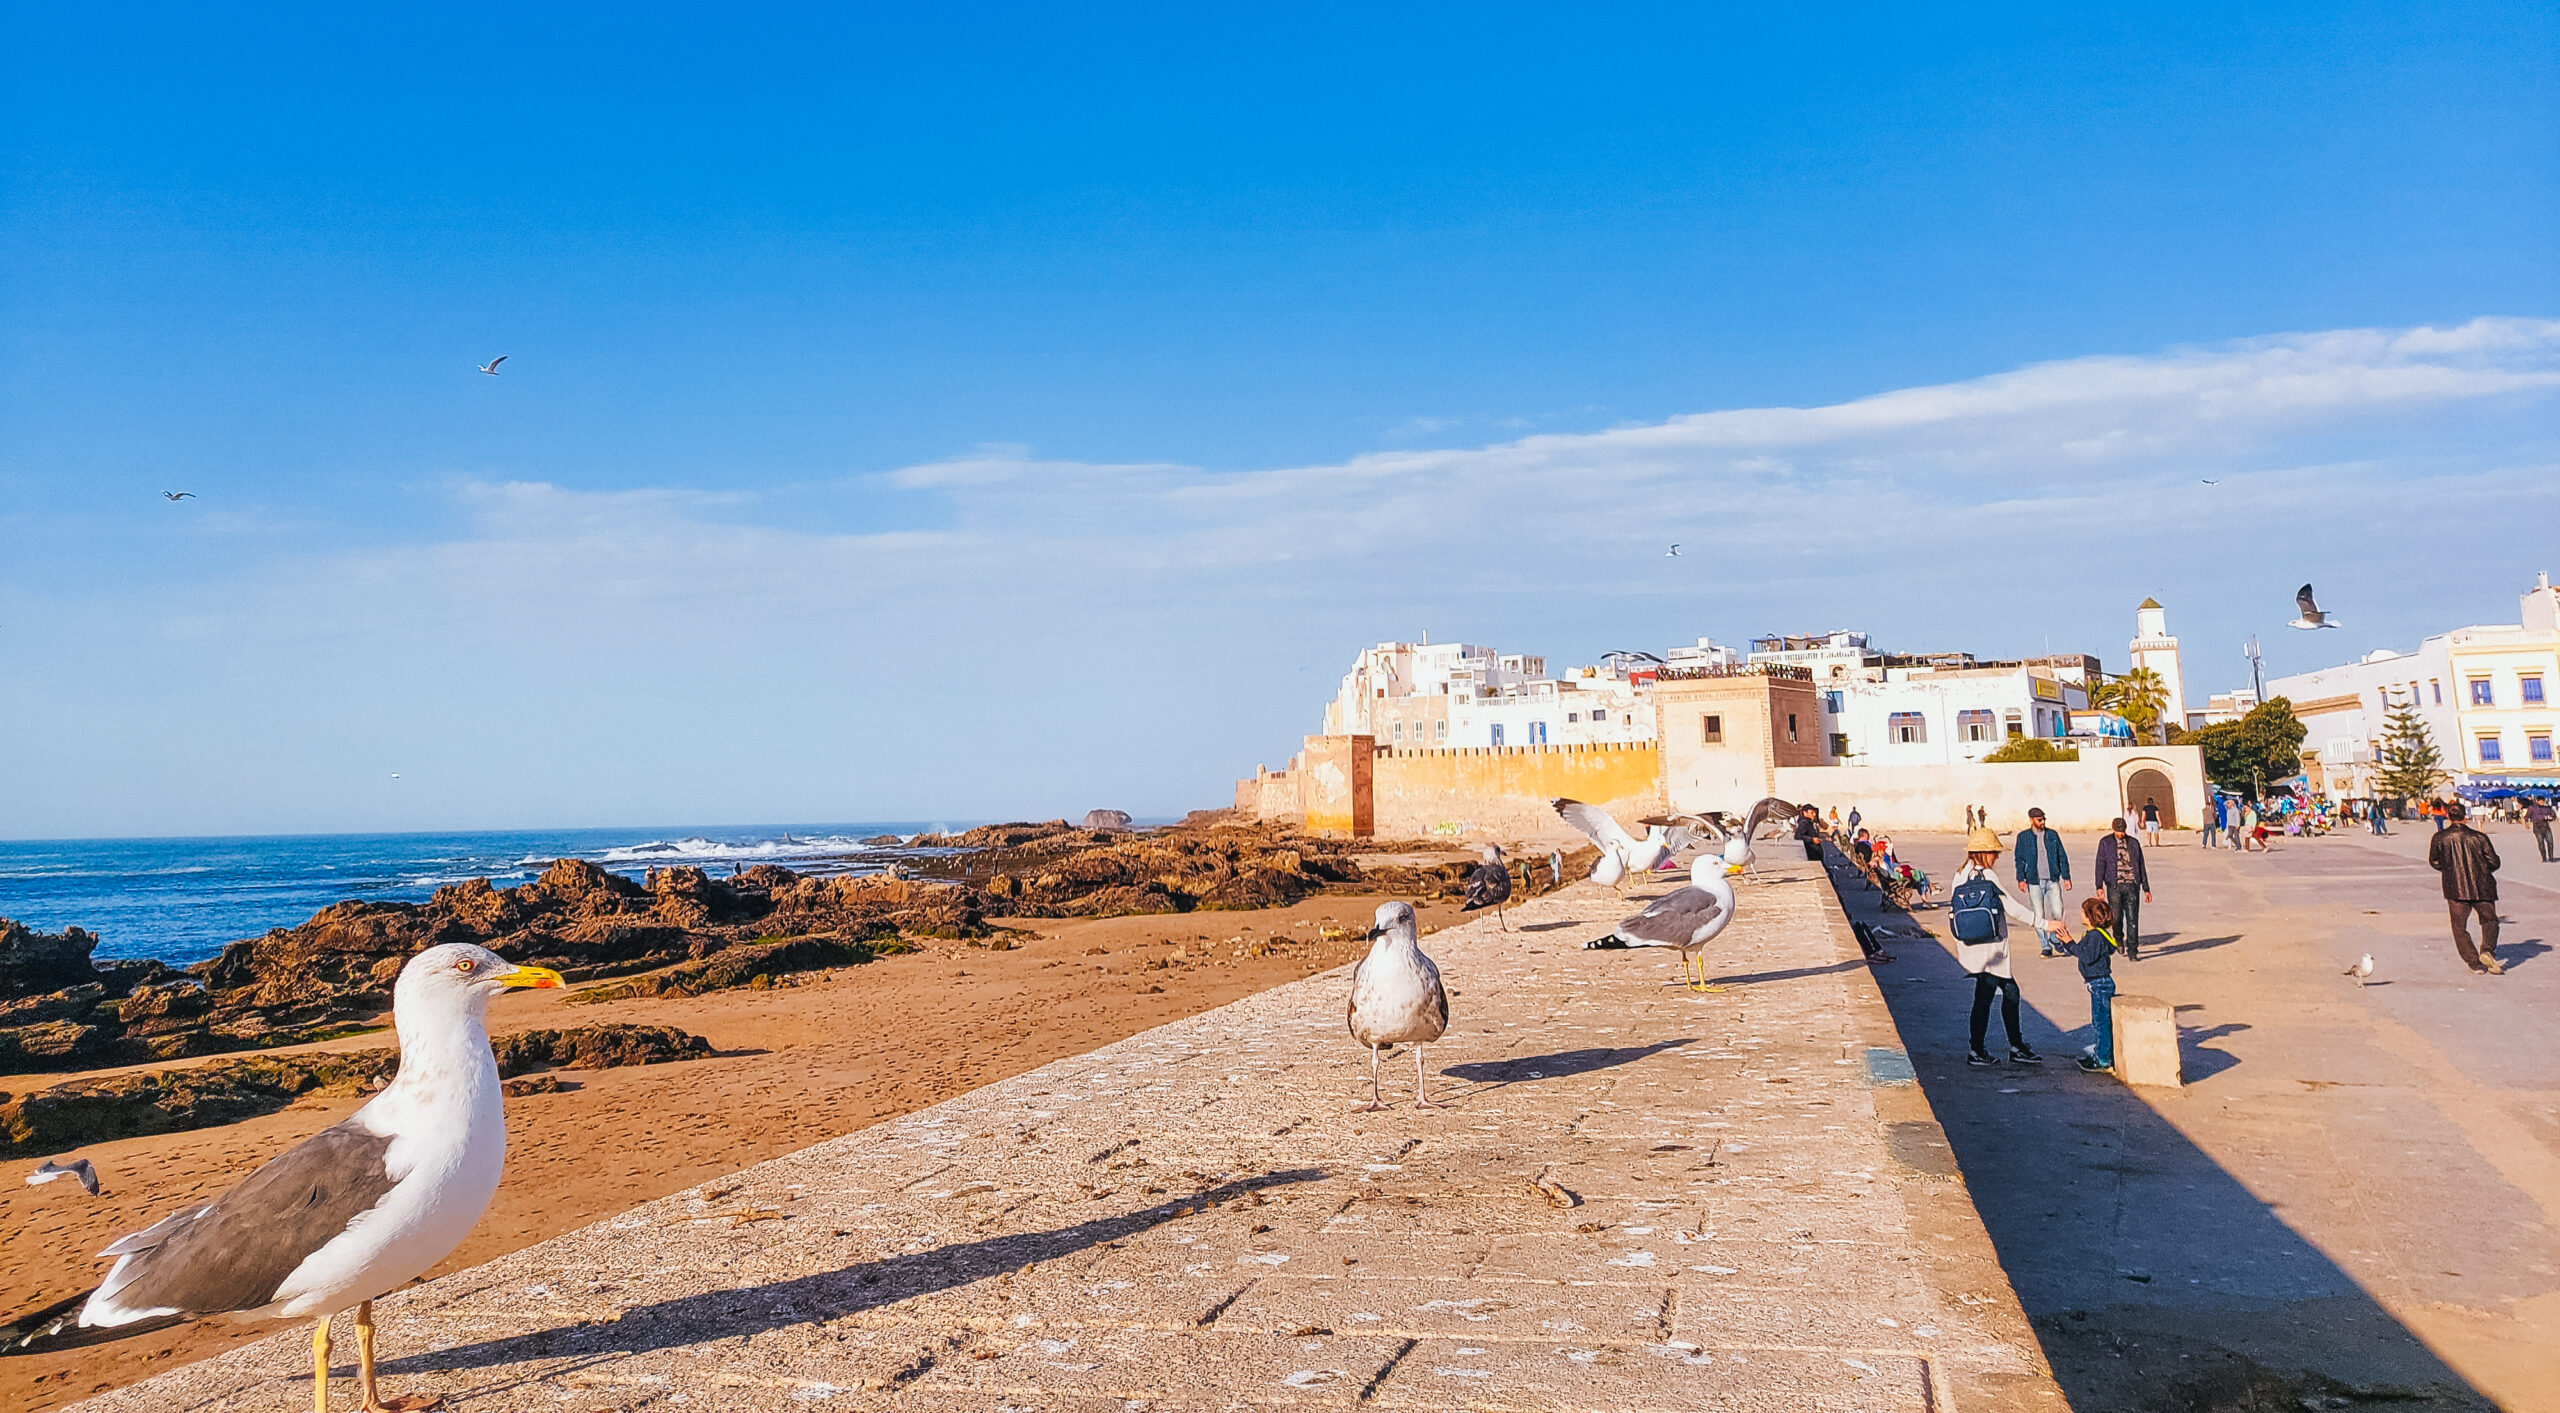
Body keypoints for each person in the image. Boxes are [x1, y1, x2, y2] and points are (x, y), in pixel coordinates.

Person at [1950, 827, 2042, 1068]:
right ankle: (1985, 1050)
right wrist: (2042, 923)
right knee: (1996, 997)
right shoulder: (1987, 877)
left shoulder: (1959, 876)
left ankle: (2004, 1046)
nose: (1997, 857)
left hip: (1973, 948)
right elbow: (2010, 907)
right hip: (1993, 950)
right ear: (1984, 853)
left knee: (1999, 995)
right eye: (1994, 853)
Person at [2426, 802, 2504, 974]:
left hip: (2456, 888)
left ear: (2448, 816)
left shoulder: (2440, 837)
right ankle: (2487, 950)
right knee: (2490, 920)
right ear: (2465, 816)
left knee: (2459, 927)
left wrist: (2450, 870)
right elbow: (2494, 861)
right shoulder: (2478, 837)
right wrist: (2481, 869)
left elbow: (2435, 861)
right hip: (2482, 885)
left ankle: (2474, 963)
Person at [2070, 895, 2121, 1073]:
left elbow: (2087, 956)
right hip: (2099, 983)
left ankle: (2103, 1059)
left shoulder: (2095, 937)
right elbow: (2080, 950)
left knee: (2101, 1022)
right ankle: (2102, 1053)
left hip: (2100, 983)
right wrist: (2064, 943)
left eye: (2083, 912)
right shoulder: (2096, 935)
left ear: (2091, 917)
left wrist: (2069, 942)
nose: (2080, 914)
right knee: (2100, 1021)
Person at [2013, 806, 2072, 957]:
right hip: (2034, 881)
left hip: (2052, 880)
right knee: (2038, 915)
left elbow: (2062, 856)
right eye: (2039, 820)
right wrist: (2021, 879)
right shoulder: (2023, 837)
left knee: (2058, 912)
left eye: (2044, 819)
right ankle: (2045, 946)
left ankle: (2055, 939)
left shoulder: (2052, 835)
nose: (2043, 822)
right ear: (2031, 820)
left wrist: (2066, 877)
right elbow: (2019, 860)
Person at [2093, 817, 2151, 960]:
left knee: (2132, 919)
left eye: (2123, 831)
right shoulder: (2105, 842)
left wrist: (2146, 888)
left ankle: (2133, 950)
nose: (2121, 834)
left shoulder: (2133, 843)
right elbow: (2100, 864)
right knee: (2116, 917)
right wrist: (2099, 885)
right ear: (2113, 830)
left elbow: (2141, 865)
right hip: (2114, 885)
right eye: (2118, 831)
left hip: (2132, 885)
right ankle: (2118, 938)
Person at [2526, 796, 2556, 864]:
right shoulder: (2532, 808)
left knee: (2550, 842)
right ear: (2537, 801)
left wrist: (2551, 817)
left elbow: (2553, 815)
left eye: (2543, 801)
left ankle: (2551, 858)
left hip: (2546, 827)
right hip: (2537, 828)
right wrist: (2527, 823)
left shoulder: (2547, 808)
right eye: (2541, 801)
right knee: (2541, 843)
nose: (2542, 803)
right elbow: (2527, 816)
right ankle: (2544, 857)